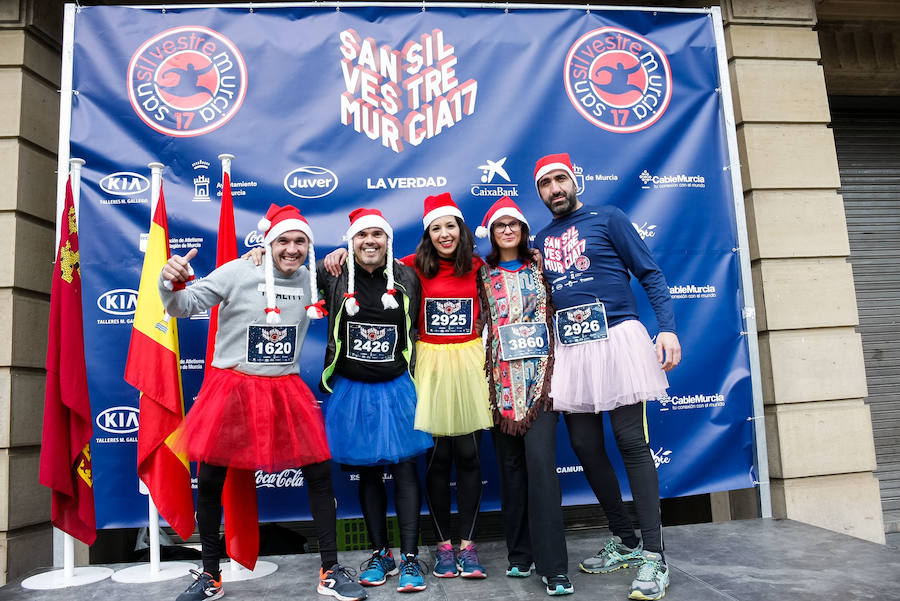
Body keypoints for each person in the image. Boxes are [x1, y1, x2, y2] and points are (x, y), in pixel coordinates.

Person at [160, 204, 366, 601]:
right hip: (232, 388)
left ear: (310, 245)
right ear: (268, 243)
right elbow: (183, 307)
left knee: (320, 475)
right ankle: (210, 575)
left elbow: (368, 264)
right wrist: (170, 282)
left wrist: (341, 254)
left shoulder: (312, 278)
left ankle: (329, 570)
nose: (292, 249)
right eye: (283, 241)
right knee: (210, 482)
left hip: (283, 389)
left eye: (300, 241)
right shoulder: (239, 270)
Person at [533, 153, 682, 601]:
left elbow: (649, 273)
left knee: (631, 442)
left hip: (618, 338)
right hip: (573, 349)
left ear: (574, 180)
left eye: (561, 179)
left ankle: (655, 556)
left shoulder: (609, 218)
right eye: (545, 184)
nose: (555, 189)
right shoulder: (539, 239)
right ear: (539, 192)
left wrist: (668, 327)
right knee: (583, 445)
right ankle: (625, 539)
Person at [324, 192, 492, 580]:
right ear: (426, 235)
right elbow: (313, 270)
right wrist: (262, 255)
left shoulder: (477, 268)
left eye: (450, 225)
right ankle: (437, 548)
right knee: (434, 461)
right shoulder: (412, 269)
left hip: (465, 368)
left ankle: (465, 546)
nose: (445, 233)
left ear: (462, 229)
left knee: (468, 456)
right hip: (426, 369)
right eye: (436, 227)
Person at [317, 208, 433, 593]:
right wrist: (257, 255)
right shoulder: (333, 275)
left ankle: (411, 558)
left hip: (397, 388)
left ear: (388, 241)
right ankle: (380, 552)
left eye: (377, 235)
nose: (370, 241)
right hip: (352, 391)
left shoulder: (405, 278)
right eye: (361, 235)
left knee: (404, 471)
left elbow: (415, 326)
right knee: (367, 474)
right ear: (351, 241)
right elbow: (290, 274)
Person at [474, 197, 572, 596]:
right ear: (492, 234)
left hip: (542, 384)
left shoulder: (543, 267)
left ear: (524, 229)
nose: (508, 230)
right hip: (498, 385)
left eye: (514, 224)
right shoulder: (481, 275)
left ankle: (555, 568)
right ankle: (520, 554)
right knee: (511, 472)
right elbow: (421, 262)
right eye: (501, 226)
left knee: (541, 468)